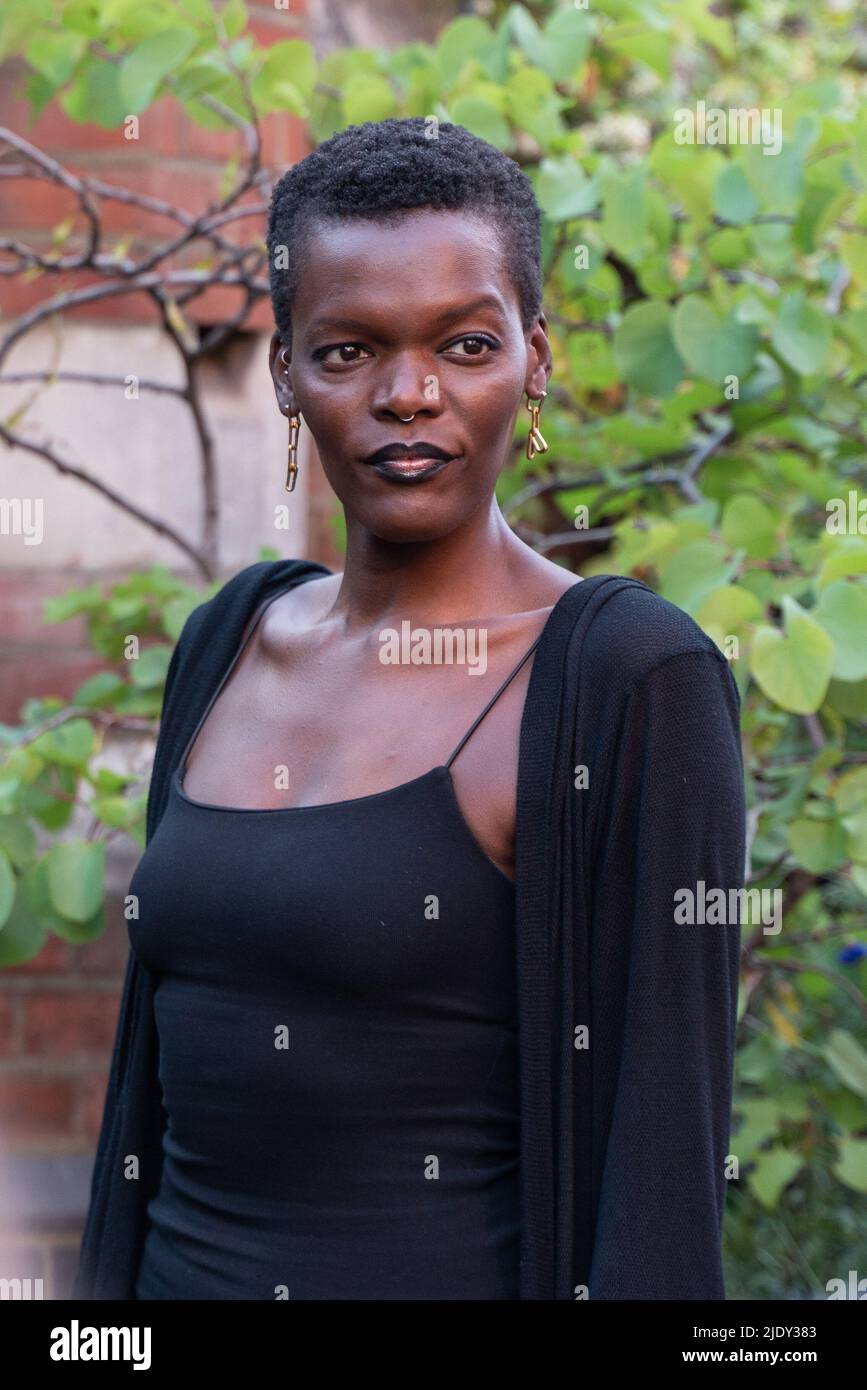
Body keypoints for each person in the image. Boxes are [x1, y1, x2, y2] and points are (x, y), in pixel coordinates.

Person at [73, 118, 745, 1301]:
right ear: (285, 371)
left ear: (537, 358)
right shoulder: (229, 639)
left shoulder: (627, 679)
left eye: (466, 342)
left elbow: (661, 1168)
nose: (409, 395)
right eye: (348, 352)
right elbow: (149, 1089)